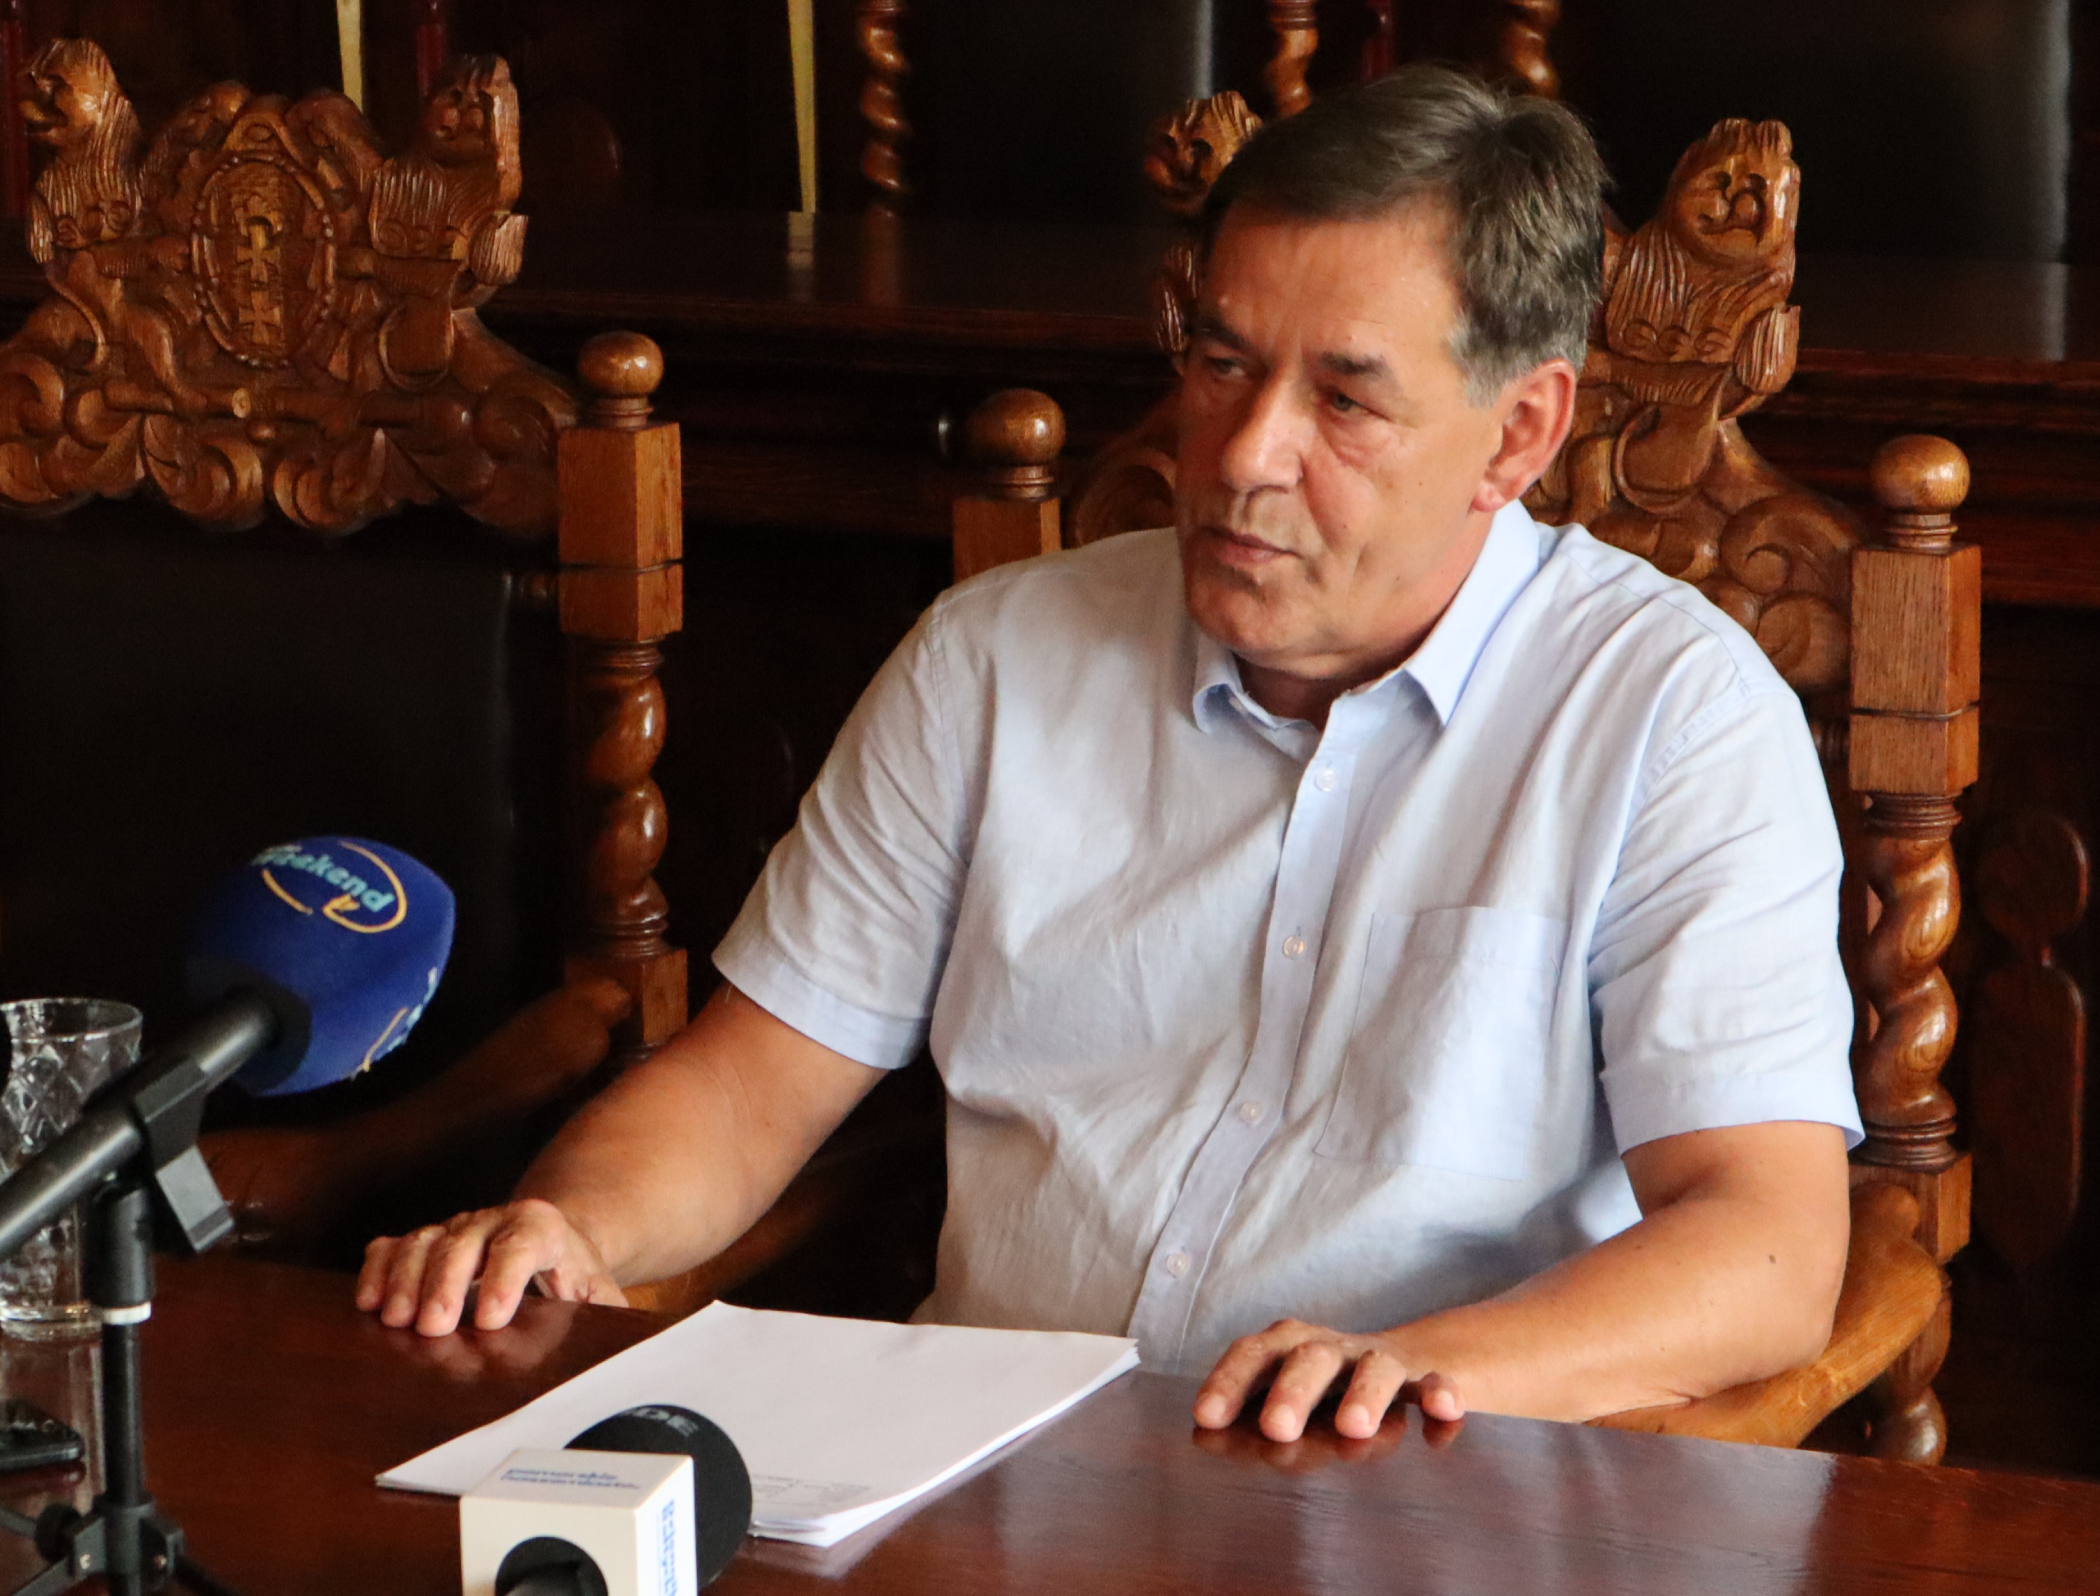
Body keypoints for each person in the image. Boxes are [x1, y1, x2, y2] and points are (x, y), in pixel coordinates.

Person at [359, 66, 1857, 1447]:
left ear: (1519, 433)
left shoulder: (1672, 717)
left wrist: (1423, 1368)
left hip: (1395, 1492)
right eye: (1222, 364)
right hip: (976, 1487)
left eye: (1344, 400)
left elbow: (1768, 1245)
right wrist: (573, 1226)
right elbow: (751, 1088)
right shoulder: (996, 657)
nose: (1245, 453)